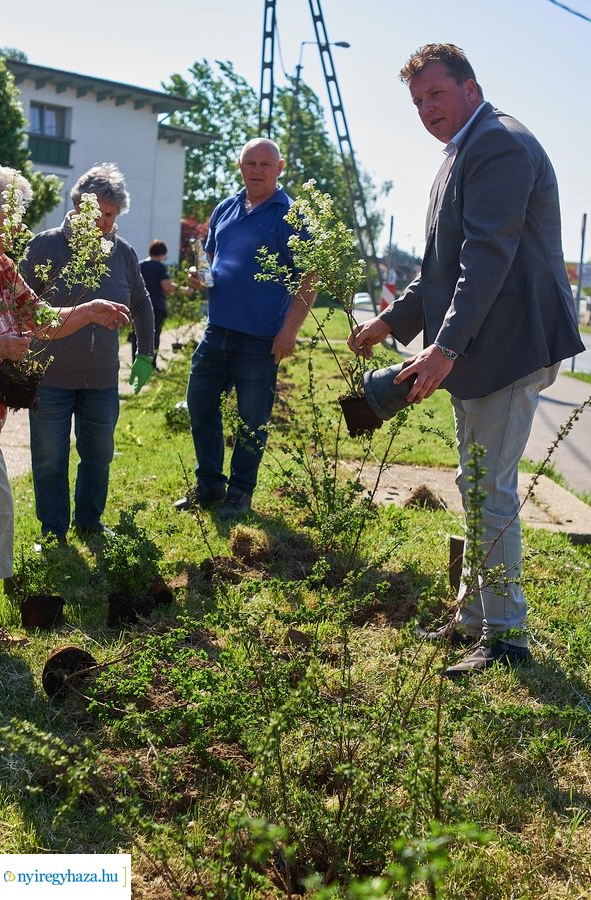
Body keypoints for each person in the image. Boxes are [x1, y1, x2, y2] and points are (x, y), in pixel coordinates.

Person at [348, 44, 584, 678]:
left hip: (509, 345)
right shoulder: (461, 151)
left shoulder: (498, 145)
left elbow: (486, 259)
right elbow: (441, 268)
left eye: (437, 94)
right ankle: (476, 618)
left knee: (489, 489)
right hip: (484, 346)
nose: (427, 109)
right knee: (475, 485)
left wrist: (445, 347)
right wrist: (391, 322)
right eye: (417, 101)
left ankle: (505, 636)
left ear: (471, 89)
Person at [0, 164, 129, 603]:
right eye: (11, 216)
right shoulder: (26, 254)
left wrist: (88, 311)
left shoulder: (2, 268)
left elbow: (42, 320)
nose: (19, 227)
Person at [20, 163, 155, 542]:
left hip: (101, 380)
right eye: (97, 213)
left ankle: (90, 522)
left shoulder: (123, 253)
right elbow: (17, 306)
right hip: (49, 376)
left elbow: (142, 304)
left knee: (98, 455)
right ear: (78, 206)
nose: (104, 223)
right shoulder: (44, 247)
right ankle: (53, 531)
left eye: (111, 215)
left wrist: (146, 354)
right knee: (50, 457)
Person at [184, 137, 316, 519]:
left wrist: (289, 331)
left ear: (280, 168)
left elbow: (309, 277)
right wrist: (199, 275)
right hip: (217, 330)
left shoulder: (291, 216)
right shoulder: (225, 208)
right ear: (240, 166)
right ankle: (210, 483)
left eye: (265, 164)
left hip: (261, 339)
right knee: (200, 404)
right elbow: (211, 258)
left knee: (252, 420)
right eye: (250, 163)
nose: (257, 170)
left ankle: (240, 492)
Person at [133, 239, 191, 369]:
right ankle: (150, 365)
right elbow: (167, 286)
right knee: (154, 336)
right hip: (156, 306)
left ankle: (135, 363)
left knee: (137, 334)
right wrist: (184, 290)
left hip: (138, 305)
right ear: (162, 254)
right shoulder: (160, 267)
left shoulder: (139, 265)